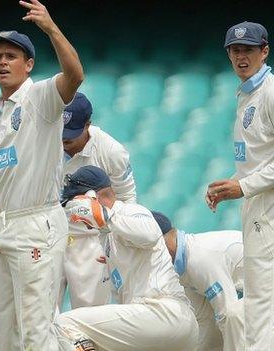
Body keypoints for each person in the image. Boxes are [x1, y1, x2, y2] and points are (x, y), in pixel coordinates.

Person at [0, 0, 84, 349]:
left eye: (11, 55)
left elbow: (75, 75)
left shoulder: (40, 98)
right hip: (4, 226)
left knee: (37, 330)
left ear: (29, 64)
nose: (3, 62)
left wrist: (51, 28)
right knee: (1, 328)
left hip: (38, 223)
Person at [56, 165, 197, 351]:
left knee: (64, 324)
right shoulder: (108, 237)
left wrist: (103, 215)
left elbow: (150, 233)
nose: (77, 218)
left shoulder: (128, 211)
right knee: (96, 341)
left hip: (164, 313)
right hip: (158, 327)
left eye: (76, 208)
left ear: (93, 198)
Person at [205, 21, 274, 350]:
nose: (240, 57)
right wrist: (232, 184)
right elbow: (259, 159)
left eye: (248, 50)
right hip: (258, 206)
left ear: (264, 52)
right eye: (235, 50)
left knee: (260, 299)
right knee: (260, 295)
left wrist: (243, 186)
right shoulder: (247, 95)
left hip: (268, 208)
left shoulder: (270, 92)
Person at [59, 92, 136, 309]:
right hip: (53, 232)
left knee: (89, 312)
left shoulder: (112, 151)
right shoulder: (47, 142)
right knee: (42, 311)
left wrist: (117, 244)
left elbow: (127, 198)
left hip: (91, 239)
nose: (64, 141)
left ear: (87, 125)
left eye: (70, 135)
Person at [152, 211, 244, 351]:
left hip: (266, 277)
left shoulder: (198, 258)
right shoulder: (179, 265)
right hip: (252, 286)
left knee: (234, 315)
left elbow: (227, 315)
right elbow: (205, 322)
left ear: (162, 242)